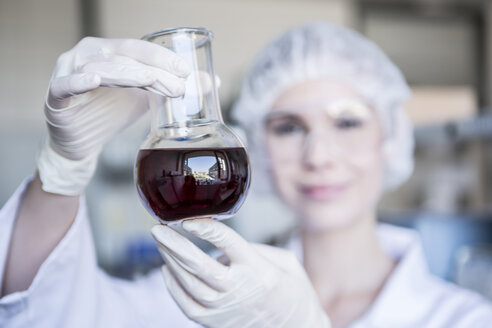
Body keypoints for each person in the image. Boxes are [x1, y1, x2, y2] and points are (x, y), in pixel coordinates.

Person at [0, 22, 490, 328]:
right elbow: (48, 315)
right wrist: (60, 174)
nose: (318, 154)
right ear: (254, 143)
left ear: (391, 136)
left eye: (347, 121)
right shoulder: (199, 290)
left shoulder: (463, 319)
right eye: (289, 126)